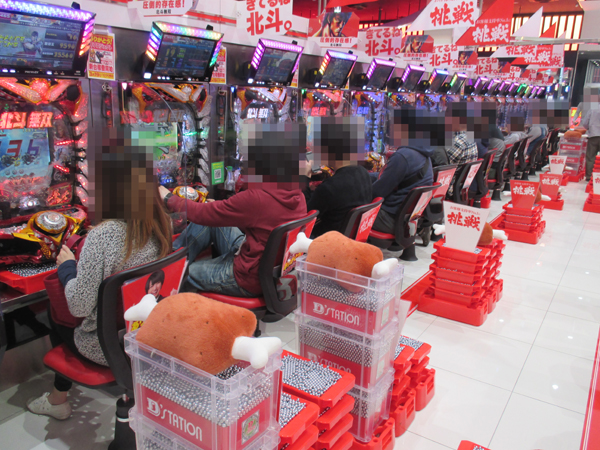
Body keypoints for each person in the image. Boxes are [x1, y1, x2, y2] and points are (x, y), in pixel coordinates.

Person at [27, 132, 173, 420]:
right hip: (150, 334)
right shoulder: (162, 225)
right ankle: (58, 398)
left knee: (54, 314)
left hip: (108, 346)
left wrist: (67, 267)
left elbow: (79, 306)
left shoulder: (103, 236)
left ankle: (57, 401)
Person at [160, 122, 307, 297]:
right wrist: (222, 208)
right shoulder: (297, 194)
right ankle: (169, 260)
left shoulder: (257, 198)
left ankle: (167, 274)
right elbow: (257, 220)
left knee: (184, 273)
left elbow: (203, 213)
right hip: (263, 265)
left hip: (247, 277)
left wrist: (168, 198)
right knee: (210, 222)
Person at [303, 117, 372, 237]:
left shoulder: (329, 188)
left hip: (325, 240)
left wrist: (305, 177)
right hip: (349, 238)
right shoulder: (364, 173)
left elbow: (304, 216)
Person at [371, 107, 435, 235]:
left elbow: (377, 192)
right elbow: (392, 178)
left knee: (347, 206)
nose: (390, 128)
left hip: (390, 219)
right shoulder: (421, 152)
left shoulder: (403, 156)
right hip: (407, 219)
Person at [580, 106, 600, 181]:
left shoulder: (592, 109)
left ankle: (589, 176)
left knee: (591, 157)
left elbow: (585, 123)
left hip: (593, 136)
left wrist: (590, 128)